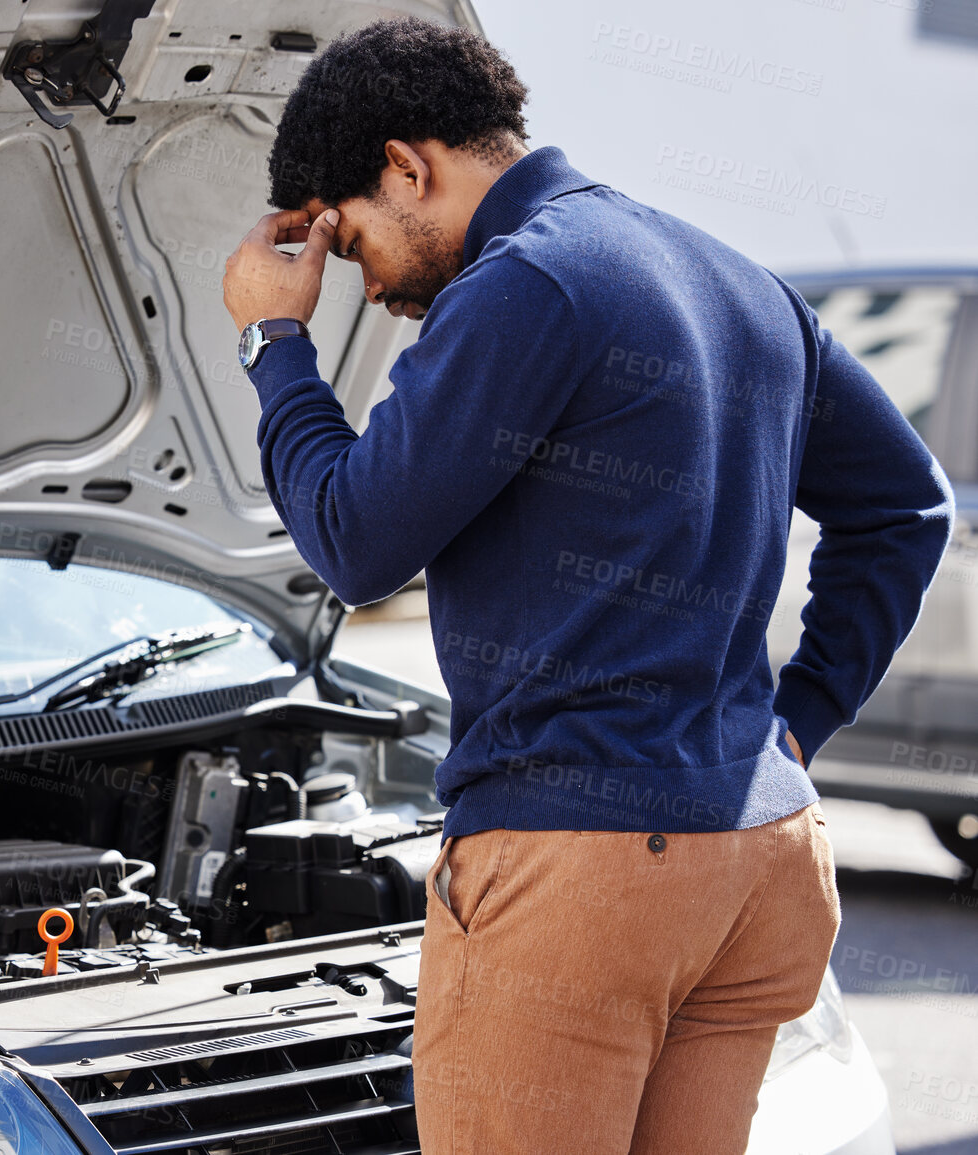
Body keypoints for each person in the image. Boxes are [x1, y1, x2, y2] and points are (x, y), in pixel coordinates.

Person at [221, 17, 950, 1154]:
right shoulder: (730, 274)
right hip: (761, 858)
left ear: (408, 166)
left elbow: (356, 540)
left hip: (586, 870)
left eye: (354, 245)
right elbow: (908, 507)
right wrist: (795, 725)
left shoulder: (529, 285)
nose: (363, 288)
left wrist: (273, 340)